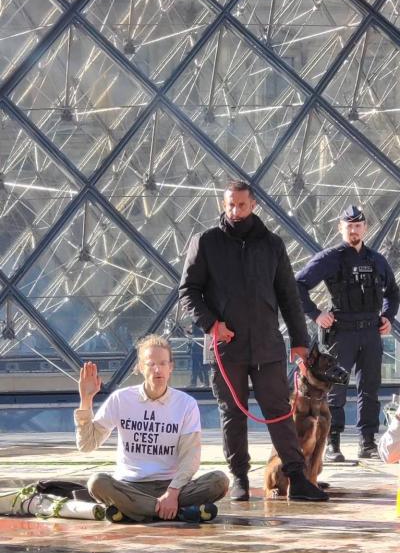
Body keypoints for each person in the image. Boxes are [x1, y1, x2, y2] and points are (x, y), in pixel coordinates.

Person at [179, 179, 328, 502]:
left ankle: (297, 476)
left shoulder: (272, 245)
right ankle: (240, 479)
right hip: (225, 347)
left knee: (278, 411)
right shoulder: (205, 242)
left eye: (241, 205)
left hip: (267, 346)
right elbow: (188, 292)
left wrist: (300, 342)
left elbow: (289, 295)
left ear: (253, 205)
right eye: (230, 204)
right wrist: (212, 324)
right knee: (232, 413)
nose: (235, 210)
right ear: (224, 204)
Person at [74, 334, 229, 523]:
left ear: (171, 367)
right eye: (151, 364)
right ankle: (176, 513)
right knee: (97, 483)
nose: (158, 369)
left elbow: (191, 457)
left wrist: (172, 492)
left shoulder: (186, 404)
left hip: (172, 486)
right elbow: (87, 444)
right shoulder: (121, 399)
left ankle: (134, 511)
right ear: (140, 367)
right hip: (130, 486)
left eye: (163, 363)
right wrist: (86, 400)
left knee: (219, 481)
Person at [296, 205, 400, 462]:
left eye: (358, 225)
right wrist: (316, 314)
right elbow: (297, 285)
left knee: (370, 389)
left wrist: (387, 316)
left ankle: (367, 443)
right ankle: (332, 444)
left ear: (365, 227)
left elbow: (393, 292)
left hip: (371, 333)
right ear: (340, 228)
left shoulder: (377, 260)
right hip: (341, 333)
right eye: (349, 226)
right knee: (335, 391)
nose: (354, 230)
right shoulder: (330, 258)